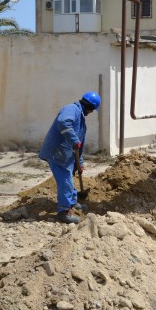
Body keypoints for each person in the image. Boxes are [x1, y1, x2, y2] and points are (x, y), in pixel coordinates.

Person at [39, 91, 101, 224]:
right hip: (57, 152)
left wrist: (80, 163)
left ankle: (72, 202)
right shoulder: (71, 109)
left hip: (65, 154)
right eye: (92, 110)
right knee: (65, 182)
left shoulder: (80, 116)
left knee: (68, 179)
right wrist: (73, 139)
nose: (90, 113)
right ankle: (64, 212)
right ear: (89, 107)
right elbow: (63, 123)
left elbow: (79, 145)